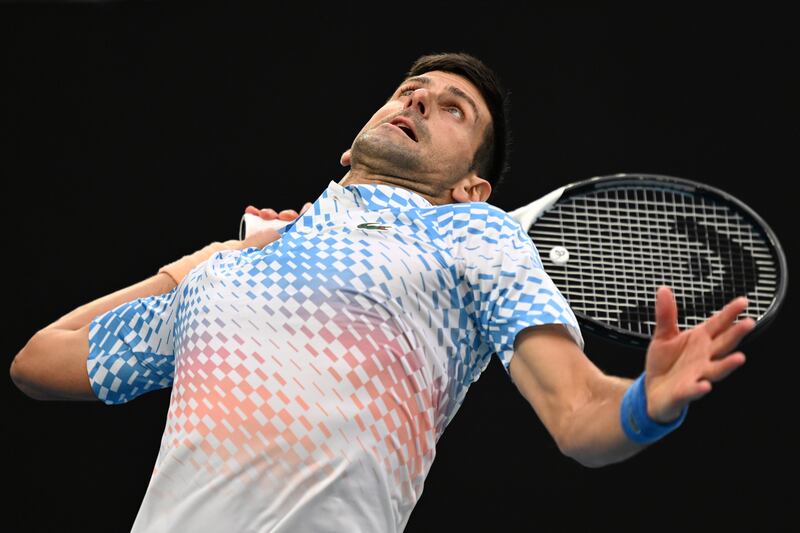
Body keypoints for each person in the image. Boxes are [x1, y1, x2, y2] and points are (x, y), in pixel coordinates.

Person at [10, 52, 753, 532]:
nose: (421, 102)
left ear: (473, 186)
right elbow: (40, 360)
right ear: (353, 141)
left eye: (453, 107)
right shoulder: (225, 275)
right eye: (411, 91)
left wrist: (643, 405)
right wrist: (203, 259)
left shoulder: (474, 235)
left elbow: (577, 413)